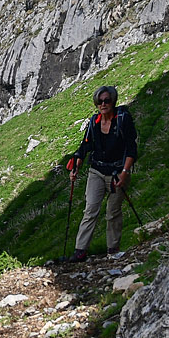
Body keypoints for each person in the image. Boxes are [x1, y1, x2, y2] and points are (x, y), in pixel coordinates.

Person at [61, 84, 138, 261]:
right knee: (90, 209)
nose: (103, 104)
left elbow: (131, 148)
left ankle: (113, 249)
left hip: (117, 172)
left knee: (113, 211)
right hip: (96, 170)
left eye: (106, 101)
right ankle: (80, 251)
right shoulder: (94, 122)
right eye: (99, 101)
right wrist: (76, 165)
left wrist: (125, 172)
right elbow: (86, 145)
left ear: (113, 101)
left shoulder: (123, 119)